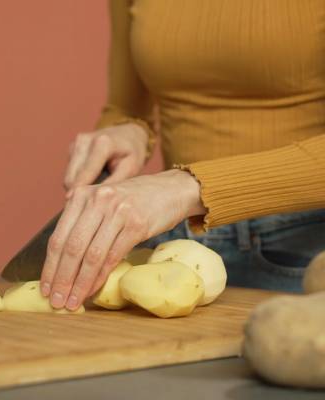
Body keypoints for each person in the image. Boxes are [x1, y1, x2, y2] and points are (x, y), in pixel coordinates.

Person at [40, 0, 325, 310]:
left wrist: (187, 187)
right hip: (174, 238)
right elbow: (125, 106)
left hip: (304, 248)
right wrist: (127, 129)